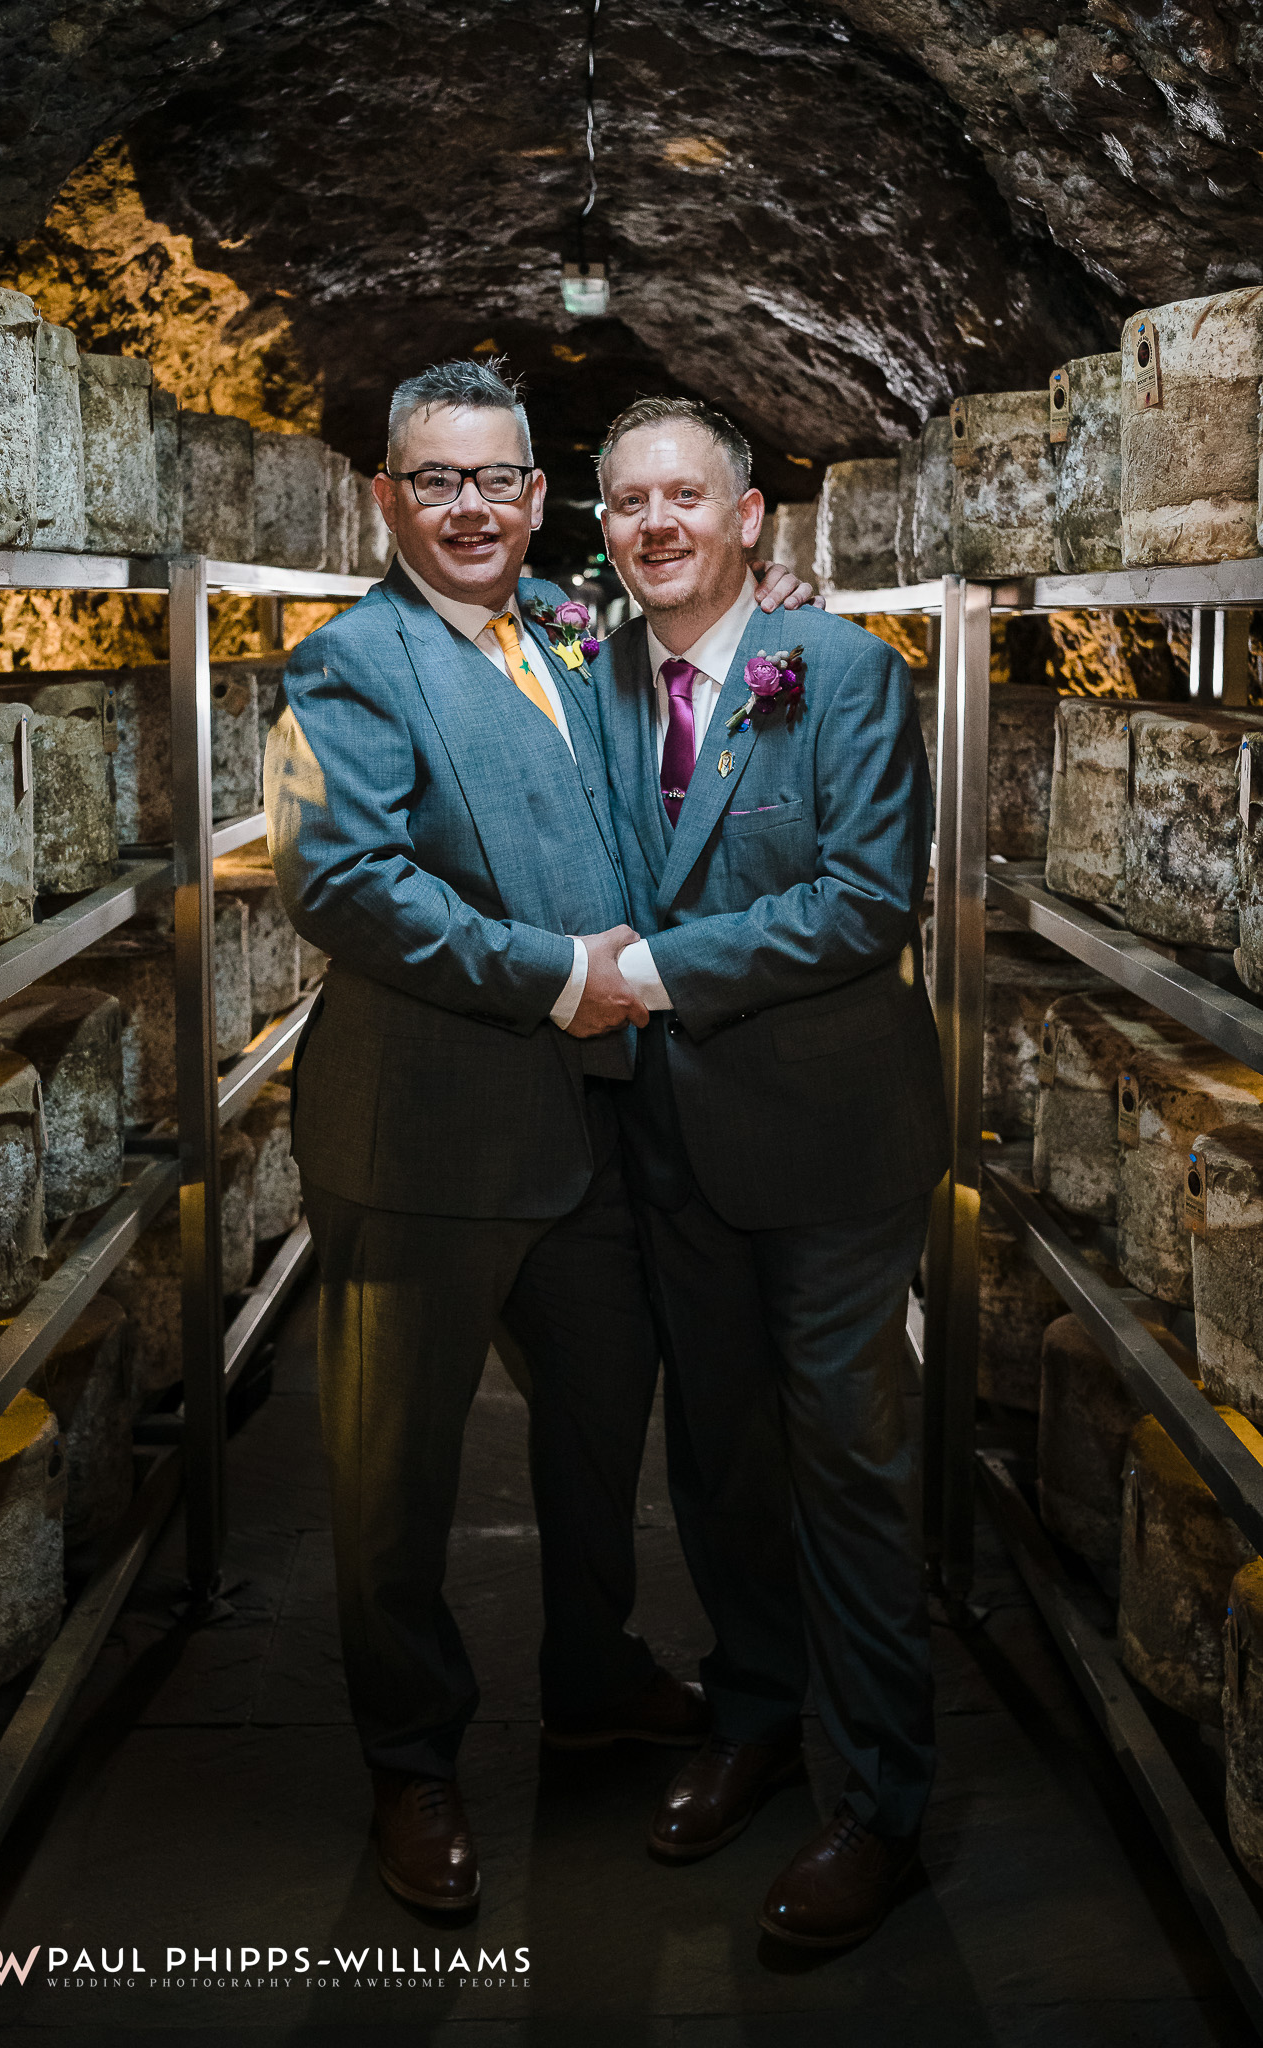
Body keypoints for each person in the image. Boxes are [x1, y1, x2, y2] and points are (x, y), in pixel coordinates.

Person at [265, 359, 807, 1915]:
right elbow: (347, 885)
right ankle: (413, 1761)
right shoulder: (350, 663)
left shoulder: (562, 634)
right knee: (393, 1476)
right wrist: (557, 975)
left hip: (588, 1134)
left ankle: (592, 1672)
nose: (470, 508)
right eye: (434, 480)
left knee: (595, 1432)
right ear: (386, 498)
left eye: (497, 479)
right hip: (420, 1144)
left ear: (533, 495)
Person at [591, 395, 948, 1950]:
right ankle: (752, 1714)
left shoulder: (851, 674)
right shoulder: (589, 672)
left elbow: (863, 900)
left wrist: (650, 969)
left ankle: (878, 1805)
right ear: (595, 527)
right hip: (671, 1139)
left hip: (826, 1141)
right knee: (720, 1457)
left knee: (850, 1469)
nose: (654, 523)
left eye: (684, 498)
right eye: (623, 503)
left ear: (751, 522)